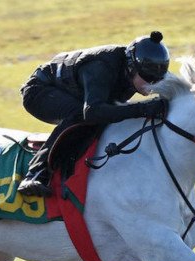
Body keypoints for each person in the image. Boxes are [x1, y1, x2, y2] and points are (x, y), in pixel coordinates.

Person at [17, 31, 170, 197]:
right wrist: (143, 108)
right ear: (132, 67)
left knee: (104, 118)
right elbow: (92, 112)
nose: (153, 84)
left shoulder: (131, 68)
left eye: (157, 79)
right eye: (148, 77)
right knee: (80, 114)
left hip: (71, 93)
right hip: (39, 91)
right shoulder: (101, 67)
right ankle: (36, 173)